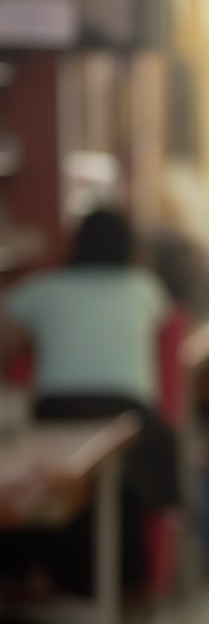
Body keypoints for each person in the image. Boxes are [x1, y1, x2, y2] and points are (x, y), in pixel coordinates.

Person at [0, 207, 179, 596]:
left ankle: (34, 575)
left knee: (51, 494)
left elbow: (5, 338)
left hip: (57, 410)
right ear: (129, 246)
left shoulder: (43, 288)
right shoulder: (144, 287)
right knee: (123, 486)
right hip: (127, 412)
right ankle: (125, 580)